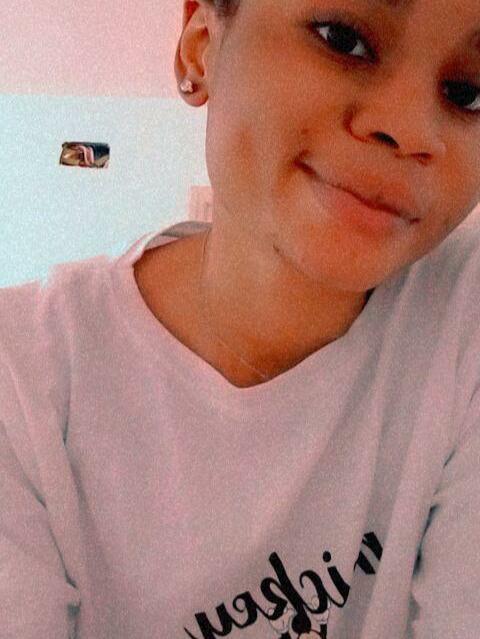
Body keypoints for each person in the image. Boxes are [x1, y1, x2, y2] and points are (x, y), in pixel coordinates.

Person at [2, 0, 480, 637]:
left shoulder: (463, 314)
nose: (411, 128)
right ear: (201, 46)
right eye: (343, 39)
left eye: (468, 93)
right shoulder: (22, 378)